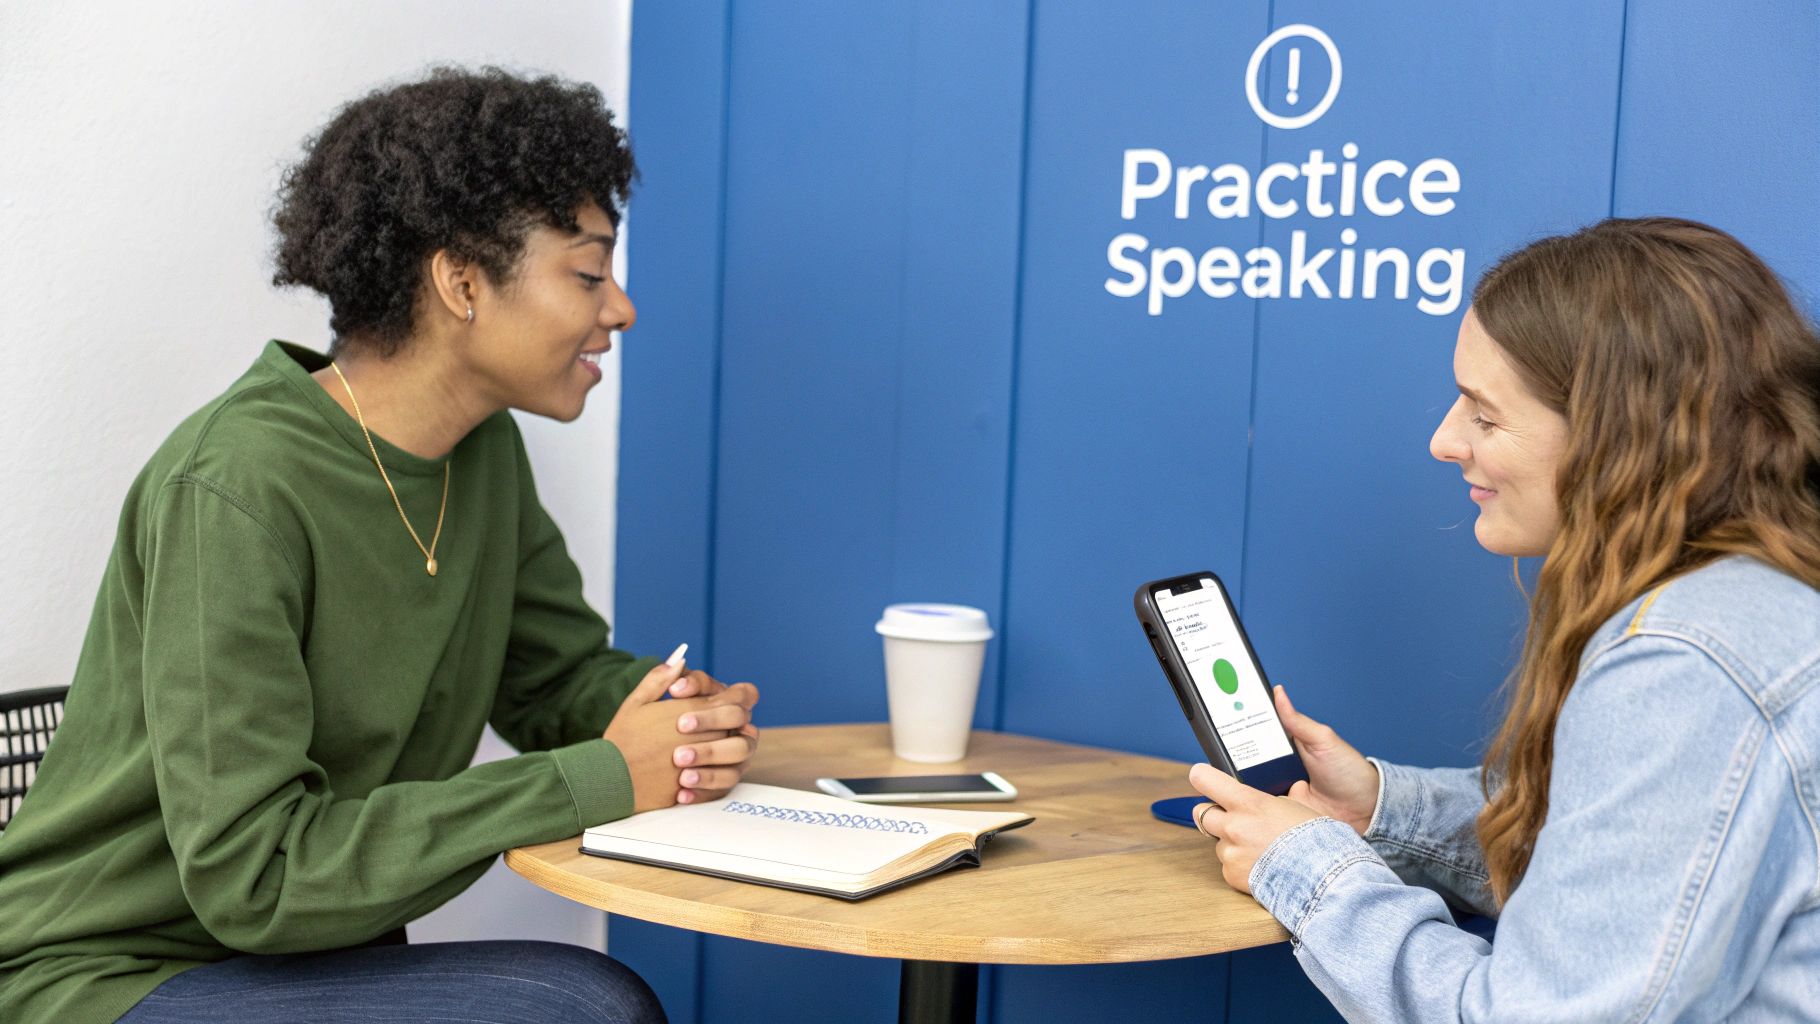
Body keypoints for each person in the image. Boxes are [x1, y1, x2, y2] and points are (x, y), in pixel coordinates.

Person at [0, 67, 757, 1024]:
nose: (621, 309)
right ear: (461, 281)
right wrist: (599, 777)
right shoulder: (236, 486)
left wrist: (671, 720)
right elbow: (256, 877)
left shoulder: (482, 454)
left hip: (299, 956)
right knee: (582, 1009)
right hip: (108, 973)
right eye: (588, 272)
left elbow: (549, 680)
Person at [1188, 217, 1820, 1021]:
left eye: (1485, 417)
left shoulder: (1688, 660)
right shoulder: (1752, 600)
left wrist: (1303, 868)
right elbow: (1633, 869)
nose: (1444, 441)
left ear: (1620, 439)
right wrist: (1378, 810)